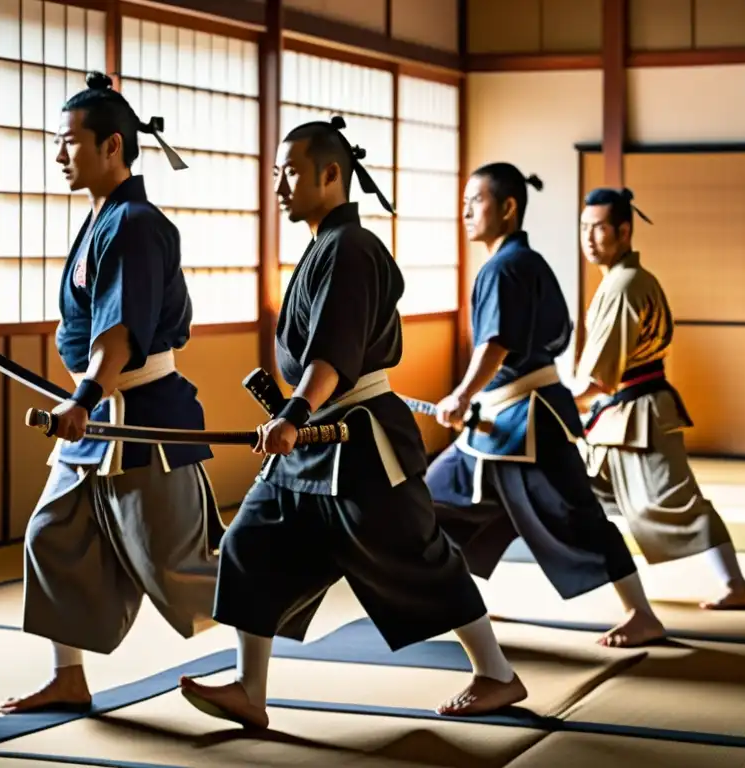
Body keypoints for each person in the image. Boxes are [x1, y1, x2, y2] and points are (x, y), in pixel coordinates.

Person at [178, 118, 527, 730]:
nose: (280, 185)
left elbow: (331, 356)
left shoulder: (351, 249)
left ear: (330, 175)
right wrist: (295, 420)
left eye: (291, 172)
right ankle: (248, 688)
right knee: (250, 541)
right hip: (312, 439)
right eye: (277, 173)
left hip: (359, 440)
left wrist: (292, 414)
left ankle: (496, 673)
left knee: (417, 556)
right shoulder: (323, 246)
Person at [0, 72, 225, 715]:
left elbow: (119, 332)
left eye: (70, 142)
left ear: (113, 146)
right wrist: (85, 398)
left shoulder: (134, 224)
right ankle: (68, 676)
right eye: (56, 142)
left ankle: (260, 644)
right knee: (52, 535)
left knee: (174, 569)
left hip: (139, 418)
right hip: (97, 415)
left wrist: (83, 395)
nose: (58, 155)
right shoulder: (104, 217)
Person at [425, 163, 667, 649]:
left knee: (574, 516)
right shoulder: (527, 262)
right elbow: (555, 334)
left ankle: (641, 614)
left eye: (477, 200)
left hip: (525, 422)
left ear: (508, 208)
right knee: (432, 505)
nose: (466, 209)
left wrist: (461, 394)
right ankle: (463, 607)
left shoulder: (504, 267)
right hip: (504, 422)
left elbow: (494, 344)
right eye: (465, 200)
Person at [572, 187, 745, 610]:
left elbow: (601, 378)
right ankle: (615, 584)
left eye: (598, 227)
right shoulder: (620, 281)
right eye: (583, 227)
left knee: (678, 502)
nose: (588, 237)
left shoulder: (625, 285)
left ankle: (736, 586)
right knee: (579, 497)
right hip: (615, 417)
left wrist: (557, 401)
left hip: (641, 415)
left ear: (623, 231)